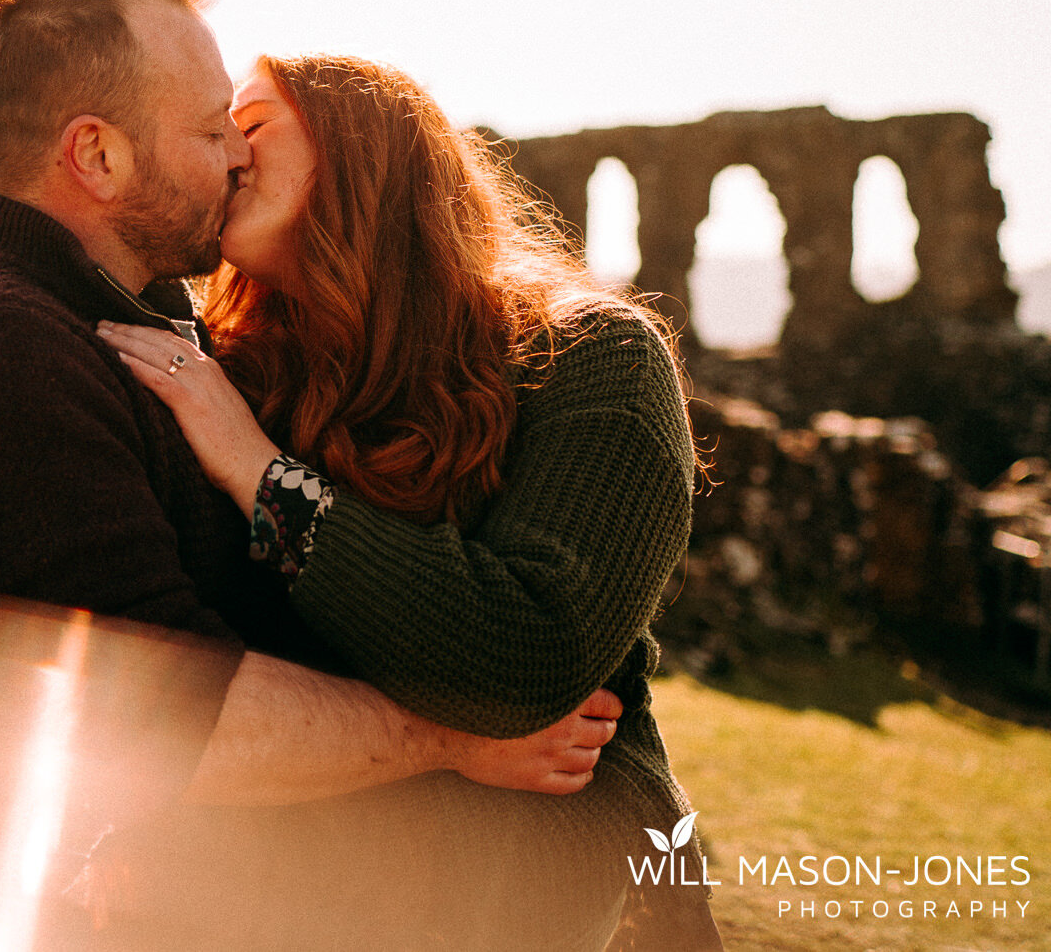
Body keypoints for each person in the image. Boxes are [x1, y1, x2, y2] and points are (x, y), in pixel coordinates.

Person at [0, 0, 624, 950]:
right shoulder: (0, 349)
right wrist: (452, 734)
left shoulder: (140, 320)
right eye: (207, 132)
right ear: (96, 155)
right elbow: (160, 719)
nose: (240, 153)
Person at [97, 53, 722, 949]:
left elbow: (530, 656)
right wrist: (455, 737)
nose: (228, 152)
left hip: (499, 899)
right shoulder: (224, 371)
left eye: (257, 123)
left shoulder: (592, 359)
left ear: (365, 154)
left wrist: (262, 475)